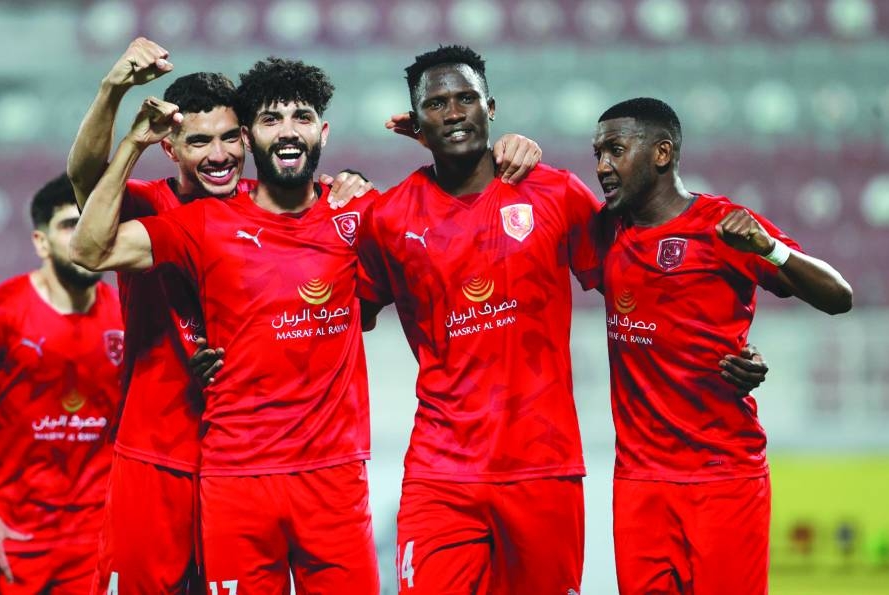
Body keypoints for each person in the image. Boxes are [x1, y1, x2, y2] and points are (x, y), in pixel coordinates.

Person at [356, 46, 773, 594]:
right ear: (416, 120)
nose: (453, 112)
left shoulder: (553, 193)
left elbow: (641, 275)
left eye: (466, 99)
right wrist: (342, 188)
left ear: (492, 107)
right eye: (436, 104)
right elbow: (345, 314)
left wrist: (724, 343)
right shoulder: (388, 218)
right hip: (442, 471)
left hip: (544, 468)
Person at [66, 39, 372, 594]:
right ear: (172, 149)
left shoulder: (264, 199)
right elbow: (87, 187)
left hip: (238, 456)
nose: (220, 154)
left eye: (231, 137)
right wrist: (116, 98)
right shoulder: (147, 204)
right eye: (200, 140)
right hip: (158, 447)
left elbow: (316, 223)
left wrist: (346, 181)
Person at [591, 97, 852, 594]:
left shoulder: (724, 226)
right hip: (639, 483)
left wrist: (770, 249)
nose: (603, 166)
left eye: (615, 150)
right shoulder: (606, 230)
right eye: (598, 153)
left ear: (662, 153)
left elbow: (839, 296)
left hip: (723, 476)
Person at [0, 174, 124, 594]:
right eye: (70, 224)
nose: (84, 234)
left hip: (94, 541)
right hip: (10, 541)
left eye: (92, 222)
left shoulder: (129, 314)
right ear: (40, 241)